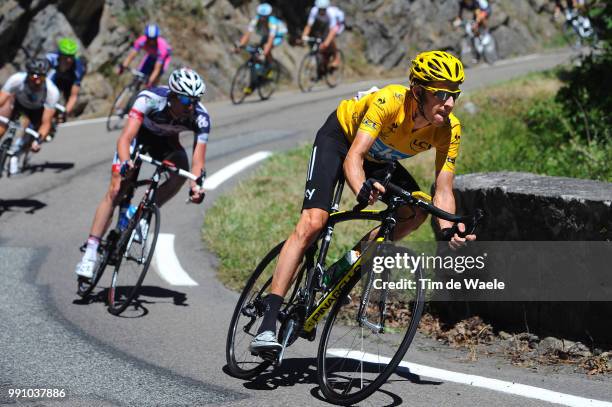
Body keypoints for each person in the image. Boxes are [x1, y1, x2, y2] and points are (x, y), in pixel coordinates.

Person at [249, 51, 477, 355]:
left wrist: (449, 229)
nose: (448, 103)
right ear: (419, 91)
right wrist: (362, 189)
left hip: (380, 159)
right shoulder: (389, 101)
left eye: (454, 95)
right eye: (441, 94)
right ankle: (268, 322)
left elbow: (444, 189)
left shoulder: (449, 129)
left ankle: (347, 263)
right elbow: (354, 156)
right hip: (342, 138)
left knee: (416, 210)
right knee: (314, 221)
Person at [74, 68, 209, 278]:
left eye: (195, 100)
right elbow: (125, 138)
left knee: (181, 171)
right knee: (117, 188)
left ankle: (143, 215)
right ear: (172, 95)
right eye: (184, 100)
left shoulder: (200, 117)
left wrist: (196, 186)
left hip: (166, 144)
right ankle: (90, 251)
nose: (190, 106)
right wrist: (126, 162)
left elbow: (197, 160)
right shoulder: (150, 99)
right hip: (139, 138)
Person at [0, 58, 59, 174]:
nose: (37, 81)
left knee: (33, 138)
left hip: (37, 111)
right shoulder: (16, 79)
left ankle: (18, 154)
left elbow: (46, 122)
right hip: (18, 104)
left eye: (41, 78)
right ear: (28, 74)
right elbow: (1, 99)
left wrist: (39, 140)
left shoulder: (52, 92)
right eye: (35, 77)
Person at [118, 23, 172, 88]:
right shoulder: (141, 40)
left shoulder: (162, 48)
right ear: (146, 36)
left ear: (157, 37)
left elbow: (157, 69)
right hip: (150, 56)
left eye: (154, 39)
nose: (151, 41)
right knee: (139, 75)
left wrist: (150, 81)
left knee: (152, 83)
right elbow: (131, 56)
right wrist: (124, 66)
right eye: (149, 38)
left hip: (163, 61)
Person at [235, 3, 287, 70]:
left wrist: (264, 54)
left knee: (266, 48)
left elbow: (271, 40)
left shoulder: (273, 22)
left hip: (278, 35)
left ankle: (271, 66)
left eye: (264, 16)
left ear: (268, 15)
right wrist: (240, 45)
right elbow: (247, 34)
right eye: (261, 16)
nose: (262, 18)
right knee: (258, 49)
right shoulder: (256, 19)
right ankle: (260, 67)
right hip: (268, 34)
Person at [46, 38, 86, 123]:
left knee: (61, 114)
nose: (69, 60)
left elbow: (73, 96)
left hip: (68, 84)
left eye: (71, 56)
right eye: (66, 56)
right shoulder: (50, 58)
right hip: (53, 80)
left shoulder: (78, 68)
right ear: (60, 55)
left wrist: (65, 112)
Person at [301, 0, 345, 68]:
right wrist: (304, 36)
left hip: (338, 23)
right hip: (325, 23)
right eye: (320, 9)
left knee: (330, 39)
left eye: (323, 9)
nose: (321, 11)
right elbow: (309, 26)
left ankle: (336, 57)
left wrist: (326, 43)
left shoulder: (331, 13)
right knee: (319, 37)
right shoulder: (314, 11)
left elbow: (332, 31)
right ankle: (324, 59)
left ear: (326, 8)